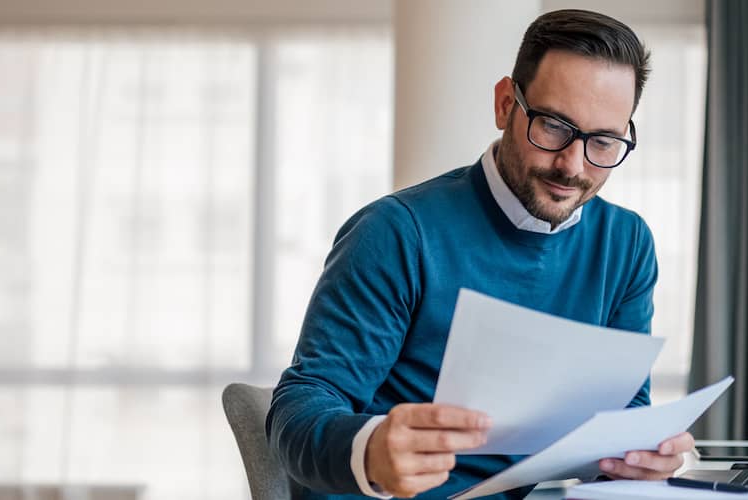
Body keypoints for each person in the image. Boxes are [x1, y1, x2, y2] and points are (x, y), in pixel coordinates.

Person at [266, 9, 694, 499]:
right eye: (554, 126)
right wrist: (370, 449)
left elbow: (623, 411)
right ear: (505, 103)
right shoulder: (396, 232)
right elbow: (300, 407)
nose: (572, 166)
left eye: (602, 141)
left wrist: (640, 454)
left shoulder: (627, 244)